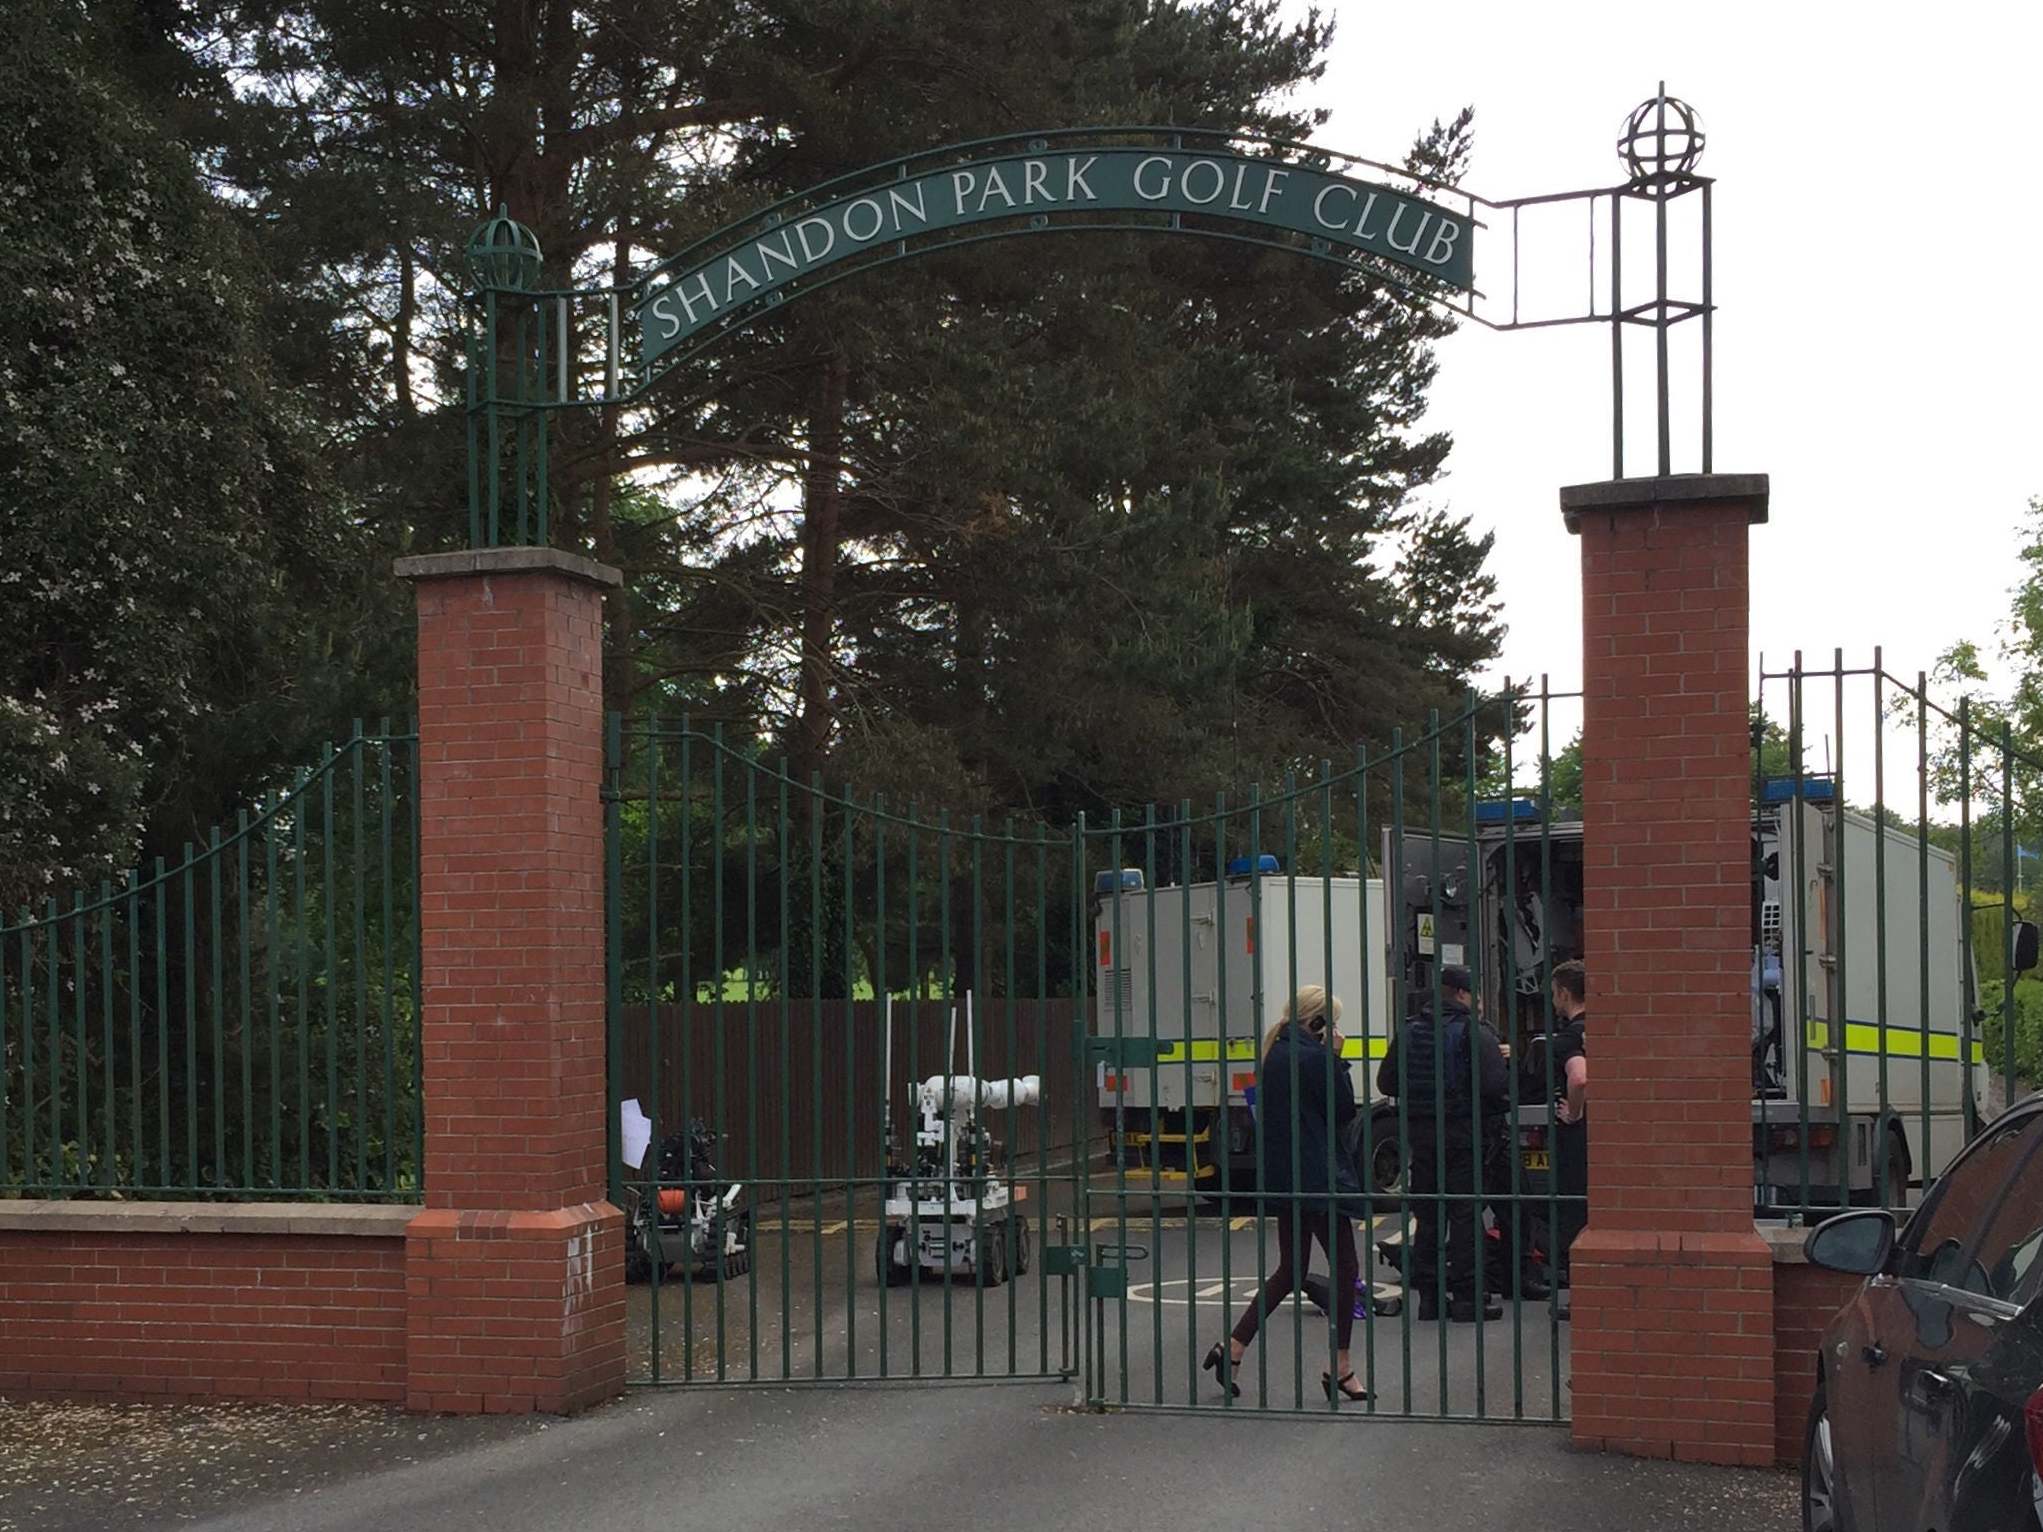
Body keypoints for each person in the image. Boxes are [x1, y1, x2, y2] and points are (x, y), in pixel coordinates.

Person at [1206, 986, 1369, 1402]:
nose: (1334, 1030)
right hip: (1319, 1177)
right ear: (1316, 1022)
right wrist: (1335, 1058)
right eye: (1329, 1023)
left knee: (1292, 1268)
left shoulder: (1275, 1053)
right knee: (1347, 1269)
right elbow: (1344, 1110)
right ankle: (1341, 1366)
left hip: (1287, 1177)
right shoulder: (1314, 1058)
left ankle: (1234, 1346)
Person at [1377, 964, 1507, 1321]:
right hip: (1463, 1137)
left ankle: (1430, 1299)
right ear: (1463, 994)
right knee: (1465, 1217)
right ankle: (1467, 1299)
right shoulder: (1474, 1033)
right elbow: (1496, 1087)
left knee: (1429, 1218)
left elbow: (1386, 1082)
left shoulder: (1410, 1031)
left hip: (1422, 1139)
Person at [1547, 960, 1588, 1318]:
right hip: (1607, 1134)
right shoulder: (1604, 1028)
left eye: (1554, 993)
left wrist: (1574, 1112)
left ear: (1564, 992)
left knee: (1576, 1214)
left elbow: (1579, 1078)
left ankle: (1584, 1296)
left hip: (1578, 1137)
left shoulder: (1569, 1037)